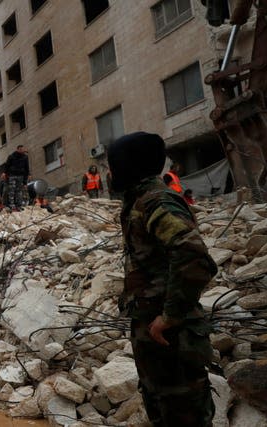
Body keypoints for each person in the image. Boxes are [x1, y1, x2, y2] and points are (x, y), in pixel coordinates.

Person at [107, 132, 217, 427]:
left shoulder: (157, 202)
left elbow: (194, 257)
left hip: (172, 332)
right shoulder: (140, 200)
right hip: (154, 327)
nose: (108, 172)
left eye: (112, 165)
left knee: (183, 409)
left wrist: (170, 315)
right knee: (161, 403)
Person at [4, 145, 30, 211]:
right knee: (12, 191)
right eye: (20, 149)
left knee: (19, 191)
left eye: (22, 149)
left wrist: (25, 181)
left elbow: (26, 168)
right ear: (17, 149)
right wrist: (5, 174)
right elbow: (7, 166)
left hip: (20, 176)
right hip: (12, 176)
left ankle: (19, 205)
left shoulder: (25, 157)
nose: (22, 150)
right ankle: (11, 205)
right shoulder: (12, 156)